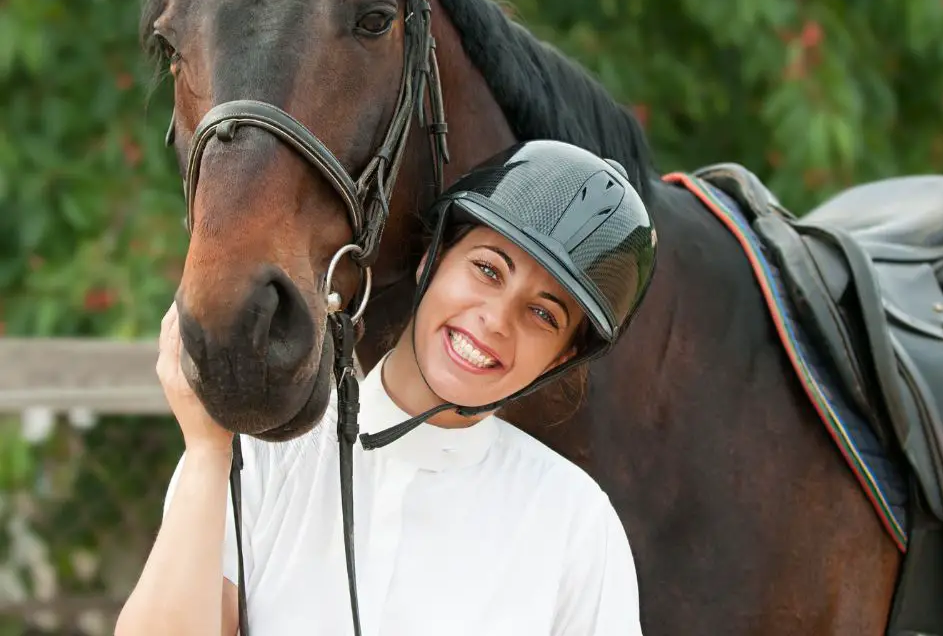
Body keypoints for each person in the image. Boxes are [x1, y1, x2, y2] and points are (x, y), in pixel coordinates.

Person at [115, 140, 658, 636]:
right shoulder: (262, 449)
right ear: (433, 258)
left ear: (561, 357)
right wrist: (208, 449)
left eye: (542, 313)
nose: (496, 319)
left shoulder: (575, 521)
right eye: (489, 270)